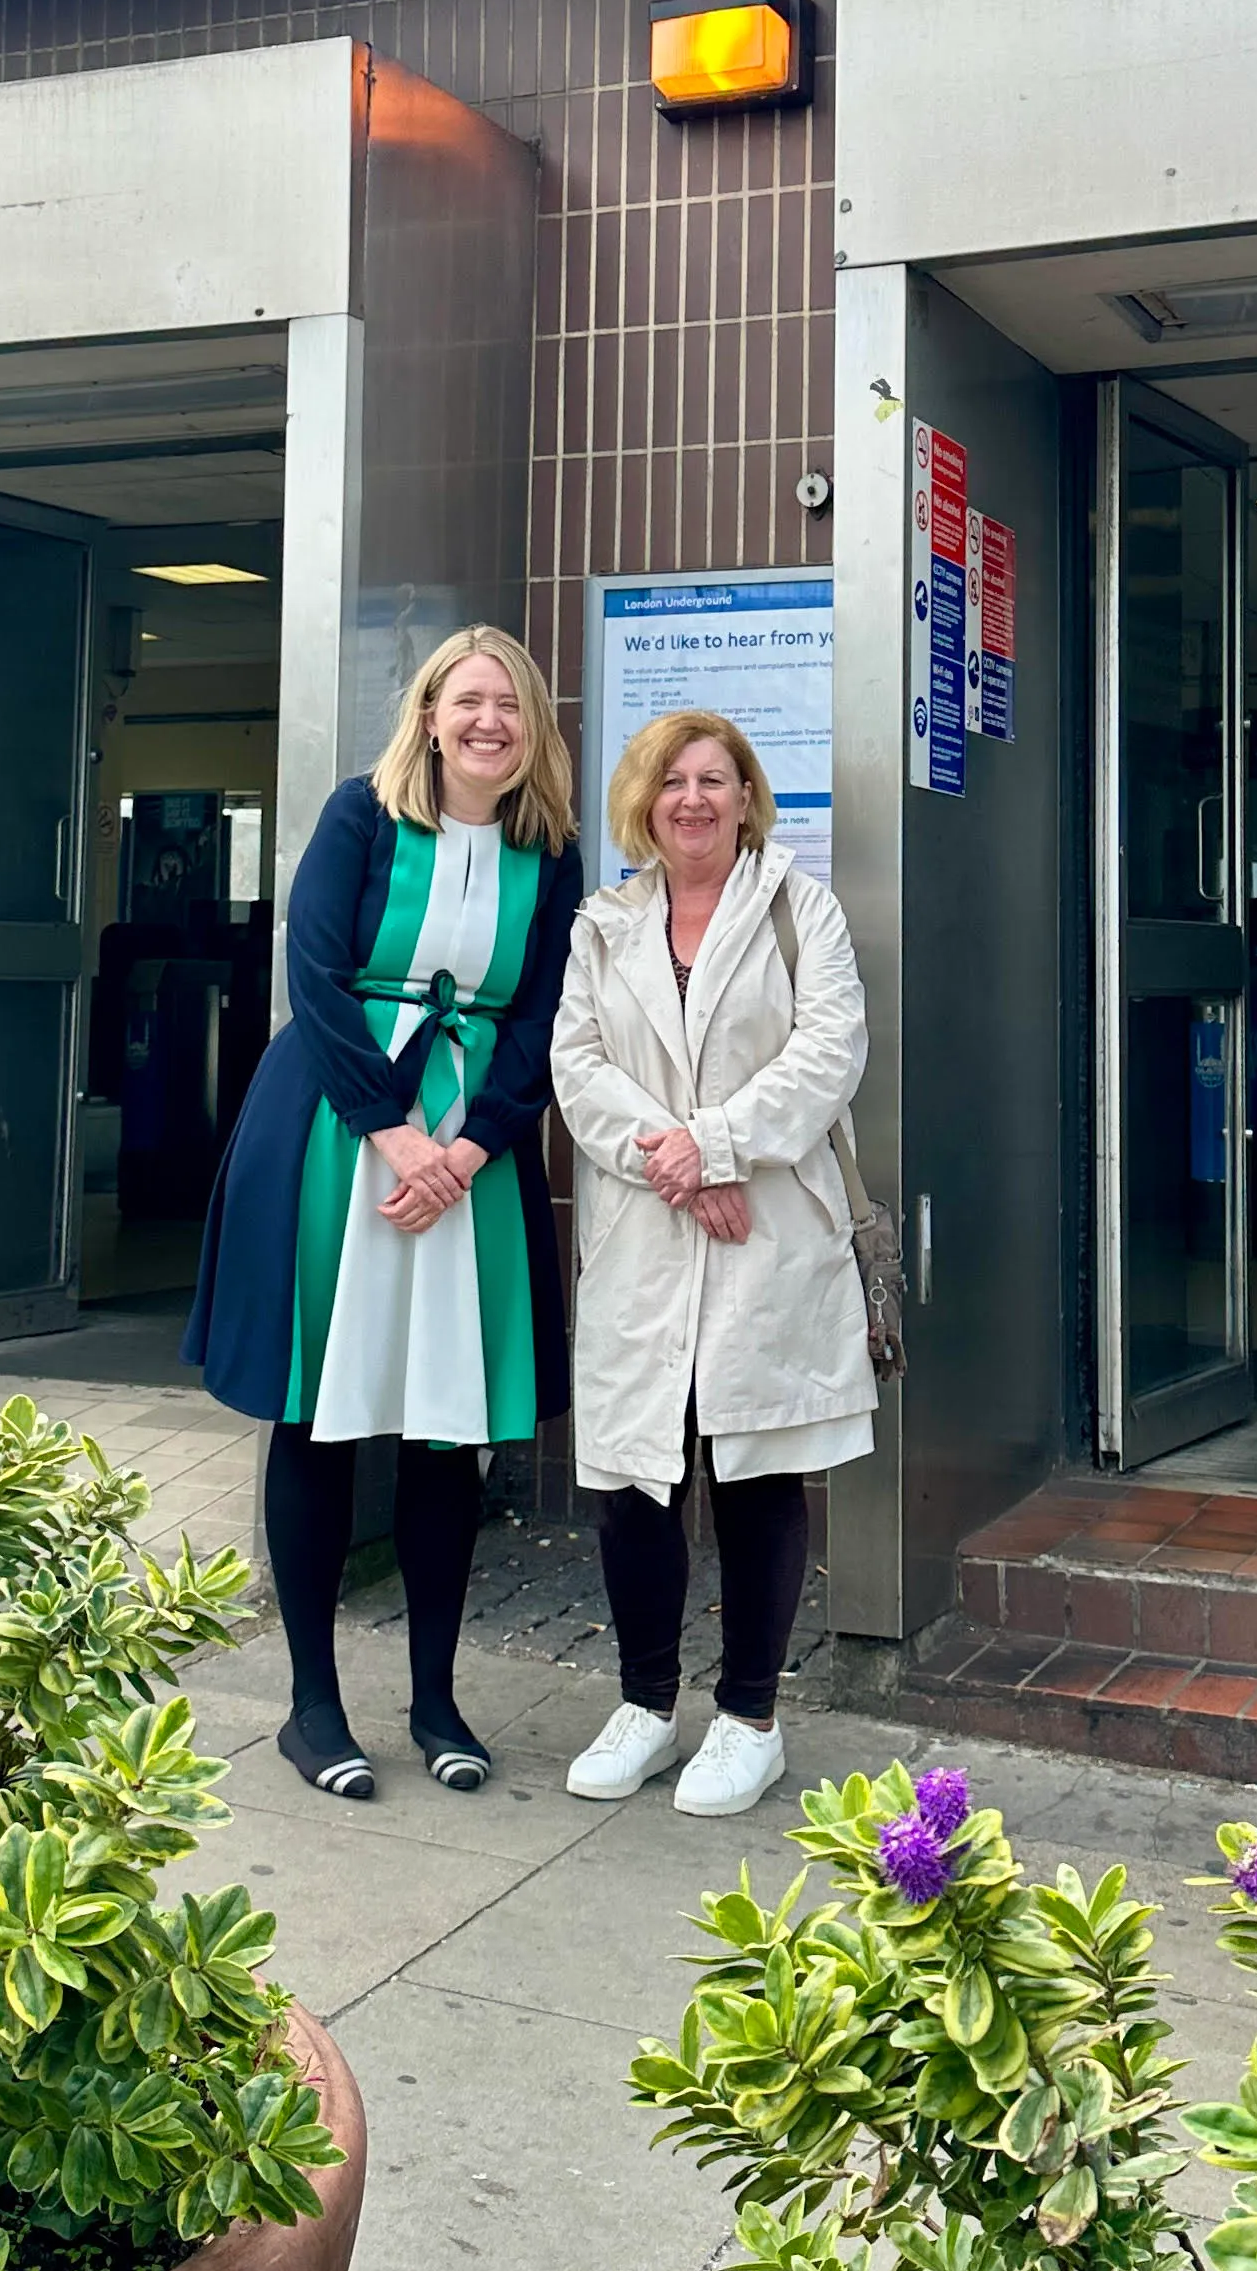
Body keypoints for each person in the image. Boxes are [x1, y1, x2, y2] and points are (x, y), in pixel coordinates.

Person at [184, 625, 583, 1801]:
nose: (488, 723)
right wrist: (395, 1131)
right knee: (320, 1407)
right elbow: (311, 971)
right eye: (468, 701)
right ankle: (312, 1707)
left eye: (510, 706)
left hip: (469, 1150)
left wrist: (465, 1147)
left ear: (534, 729)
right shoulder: (361, 814)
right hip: (335, 1134)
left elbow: (544, 1013)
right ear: (426, 712)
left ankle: (434, 1698)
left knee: (444, 1424)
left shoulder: (546, 848)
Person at [551, 712, 876, 1817]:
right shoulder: (604, 921)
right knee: (636, 1478)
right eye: (672, 780)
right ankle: (644, 1704)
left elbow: (829, 1050)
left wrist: (722, 1142)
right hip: (647, 1228)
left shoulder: (798, 907)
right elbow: (577, 1062)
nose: (693, 797)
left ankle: (748, 1719)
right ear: (643, 801)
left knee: (754, 1468)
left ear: (747, 797)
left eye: (715, 778)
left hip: (766, 1232)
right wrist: (681, 1160)